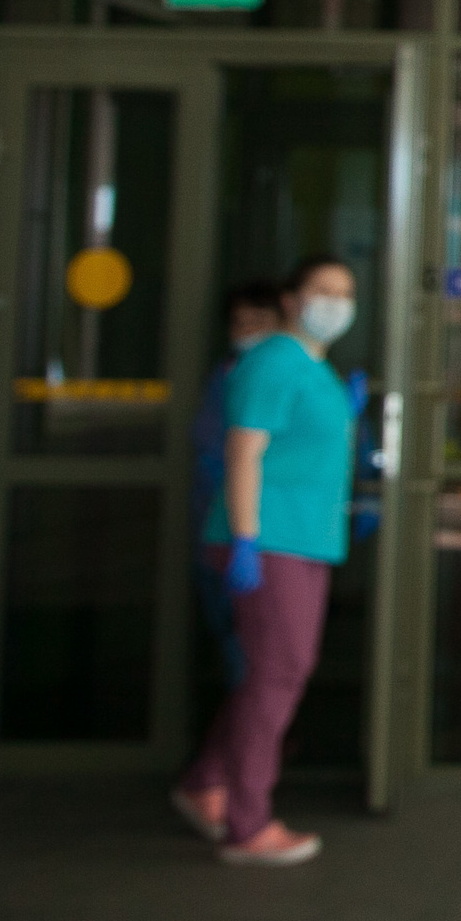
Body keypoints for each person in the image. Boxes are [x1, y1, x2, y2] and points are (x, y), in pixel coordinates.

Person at [171, 255, 361, 867]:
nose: (334, 303)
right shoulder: (272, 360)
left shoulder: (315, 368)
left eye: (345, 293)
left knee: (271, 674)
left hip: (303, 538)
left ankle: (206, 784)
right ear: (290, 298)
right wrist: (246, 540)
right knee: (278, 675)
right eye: (321, 291)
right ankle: (248, 823)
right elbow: (243, 452)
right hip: (271, 540)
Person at [191, 280, 284, 689]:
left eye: (259, 322)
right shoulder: (225, 380)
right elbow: (213, 451)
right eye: (239, 324)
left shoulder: (298, 376)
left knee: (276, 652)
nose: (248, 332)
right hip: (223, 523)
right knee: (238, 642)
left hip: (282, 529)